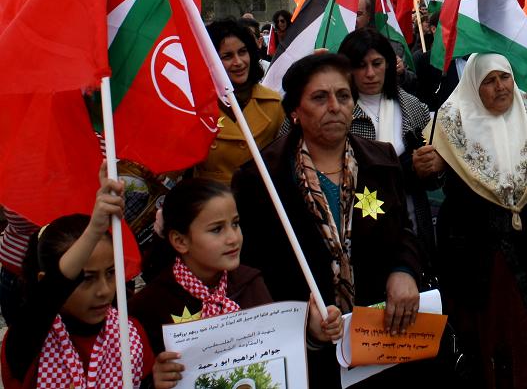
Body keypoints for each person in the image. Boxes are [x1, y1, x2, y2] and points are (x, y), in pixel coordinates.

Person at [233, 53, 435, 388]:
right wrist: (301, 321)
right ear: (295, 111)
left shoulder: (381, 159)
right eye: (319, 97)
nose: (334, 106)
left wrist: (405, 271)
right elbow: (252, 268)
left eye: (343, 96)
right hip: (307, 350)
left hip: (381, 338)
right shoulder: (261, 178)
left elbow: (403, 232)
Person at [414, 53, 527, 388]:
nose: (501, 87)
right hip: (477, 268)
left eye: (505, 77)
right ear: (473, 87)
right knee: (486, 356)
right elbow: (427, 182)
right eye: (489, 80)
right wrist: (428, 169)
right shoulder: (448, 128)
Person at [130, 178, 342, 387]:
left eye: (235, 224)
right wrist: (153, 383)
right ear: (180, 241)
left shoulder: (250, 283)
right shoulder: (149, 306)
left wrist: (314, 334)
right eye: (216, 229)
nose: (233, 238)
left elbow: (277, 356)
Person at [0, 167, 154, 388]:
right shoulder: (29, 342)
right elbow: (49, 295)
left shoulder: (129, 334)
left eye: (110, 273)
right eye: (86, 278)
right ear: (47, 281)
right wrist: (94, 230)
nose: (103, 290)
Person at [337, 28, 437, 257]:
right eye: (361, 65)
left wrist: (432, 167)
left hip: (412, 220)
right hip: (358, 227)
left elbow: (432, 180)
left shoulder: (413, 108)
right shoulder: (337, 113)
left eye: (377, 63)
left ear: (389, 64)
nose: (370, 73)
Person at [194, 20, 283, 183]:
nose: (239, 62)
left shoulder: (274, 103)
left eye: (242, 52)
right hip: (212, 203)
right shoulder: (196, 107)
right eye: (227, 56)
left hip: (261, 201)